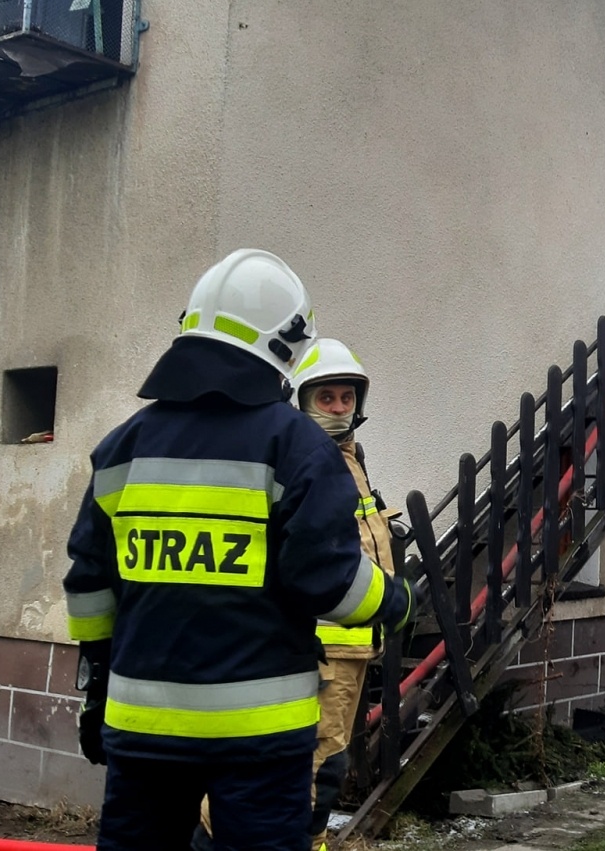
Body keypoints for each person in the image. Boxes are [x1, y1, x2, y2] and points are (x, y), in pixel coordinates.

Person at [63, 249, 415, 850]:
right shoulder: (296, 448)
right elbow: (327, 580)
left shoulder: (122, 447)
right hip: (261, 739)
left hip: (143, 732)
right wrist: (397, 600)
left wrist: (96, 693)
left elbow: (90, 588)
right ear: (286, 343)